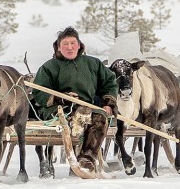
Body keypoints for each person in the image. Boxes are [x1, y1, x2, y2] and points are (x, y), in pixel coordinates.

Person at [31, 27, 118, 177]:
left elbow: (109, 82)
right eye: (65, 44)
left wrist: (108, 103)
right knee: (76, 116)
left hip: (88, 107)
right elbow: (38, 92)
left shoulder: (93, 64)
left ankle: (86, 160)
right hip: (58, 109)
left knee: (99, 117)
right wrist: (60, 97)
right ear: (58, 47)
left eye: (73, 43)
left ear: (79, 45)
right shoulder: (48, 67)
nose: (69, 47)